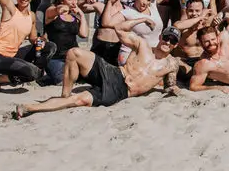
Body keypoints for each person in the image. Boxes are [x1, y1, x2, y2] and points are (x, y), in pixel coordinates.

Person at [12, 26, 182, 119]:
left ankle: (31, 108)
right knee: (74, 53)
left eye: (172, 41)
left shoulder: (172, 64)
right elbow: (120, 28)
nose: (168, 42)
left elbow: (170, 86)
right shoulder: (142, 45)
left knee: (79, 100)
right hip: (113, 72)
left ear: (176, 45)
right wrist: (142, 19)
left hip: (121, 91)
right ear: (160, 37)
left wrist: (173, 90)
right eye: (166, 37)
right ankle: (64, 94)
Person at [40, 0, 90, 85]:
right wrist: (61, 8)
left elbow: (84, 34)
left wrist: (81, 14)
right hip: (56, 57)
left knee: (86, 76)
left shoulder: (74, 16)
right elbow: (56, 10)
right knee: (64, 81)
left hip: (73, 57)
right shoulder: (52, 11)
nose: (74, 2)